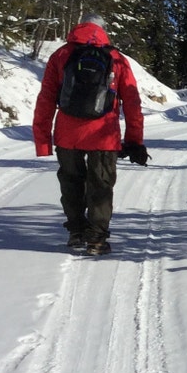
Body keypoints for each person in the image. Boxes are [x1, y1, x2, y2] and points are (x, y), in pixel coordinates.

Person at [32, 16, 148, 254]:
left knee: (71, 181)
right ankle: (96, 239)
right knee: (101, 185)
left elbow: (45, 100)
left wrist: (43, 142)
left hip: (67, 134)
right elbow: (133, 101)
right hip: (104, 135)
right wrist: (134, 141)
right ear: (103, 31)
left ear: (78, 27)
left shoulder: (61, 55)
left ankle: (76, 231)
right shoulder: (117, 58)